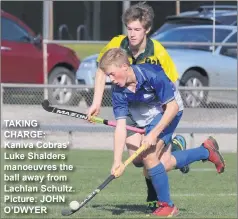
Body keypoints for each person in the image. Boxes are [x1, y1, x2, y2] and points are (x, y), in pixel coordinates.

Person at [87, 2, 189, 212]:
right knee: (139, 161)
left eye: (137, 29)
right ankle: (187, 150)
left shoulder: (158, 52)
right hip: (131, 104)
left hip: (155, 107)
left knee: (152, 156)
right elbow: (101, 71)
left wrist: (159, 128)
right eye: (129, 29)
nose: (132, 34)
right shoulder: (117, 45)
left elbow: (170, 87)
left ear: (147, 30)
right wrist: (96, 102)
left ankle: (160, 202)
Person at [98, 48, 225, 217]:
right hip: (147, 115)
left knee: (149, 156)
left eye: (112, 74)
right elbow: (120, 126)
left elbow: (172, 107)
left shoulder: (152, 74)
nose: (111, 80)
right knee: (161, 163)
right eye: (108, 76)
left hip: (169, 110)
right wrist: (116, 161)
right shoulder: (118, 90)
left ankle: (167, 206)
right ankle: (206, 151)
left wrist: (153, 134)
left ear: (124, 67)